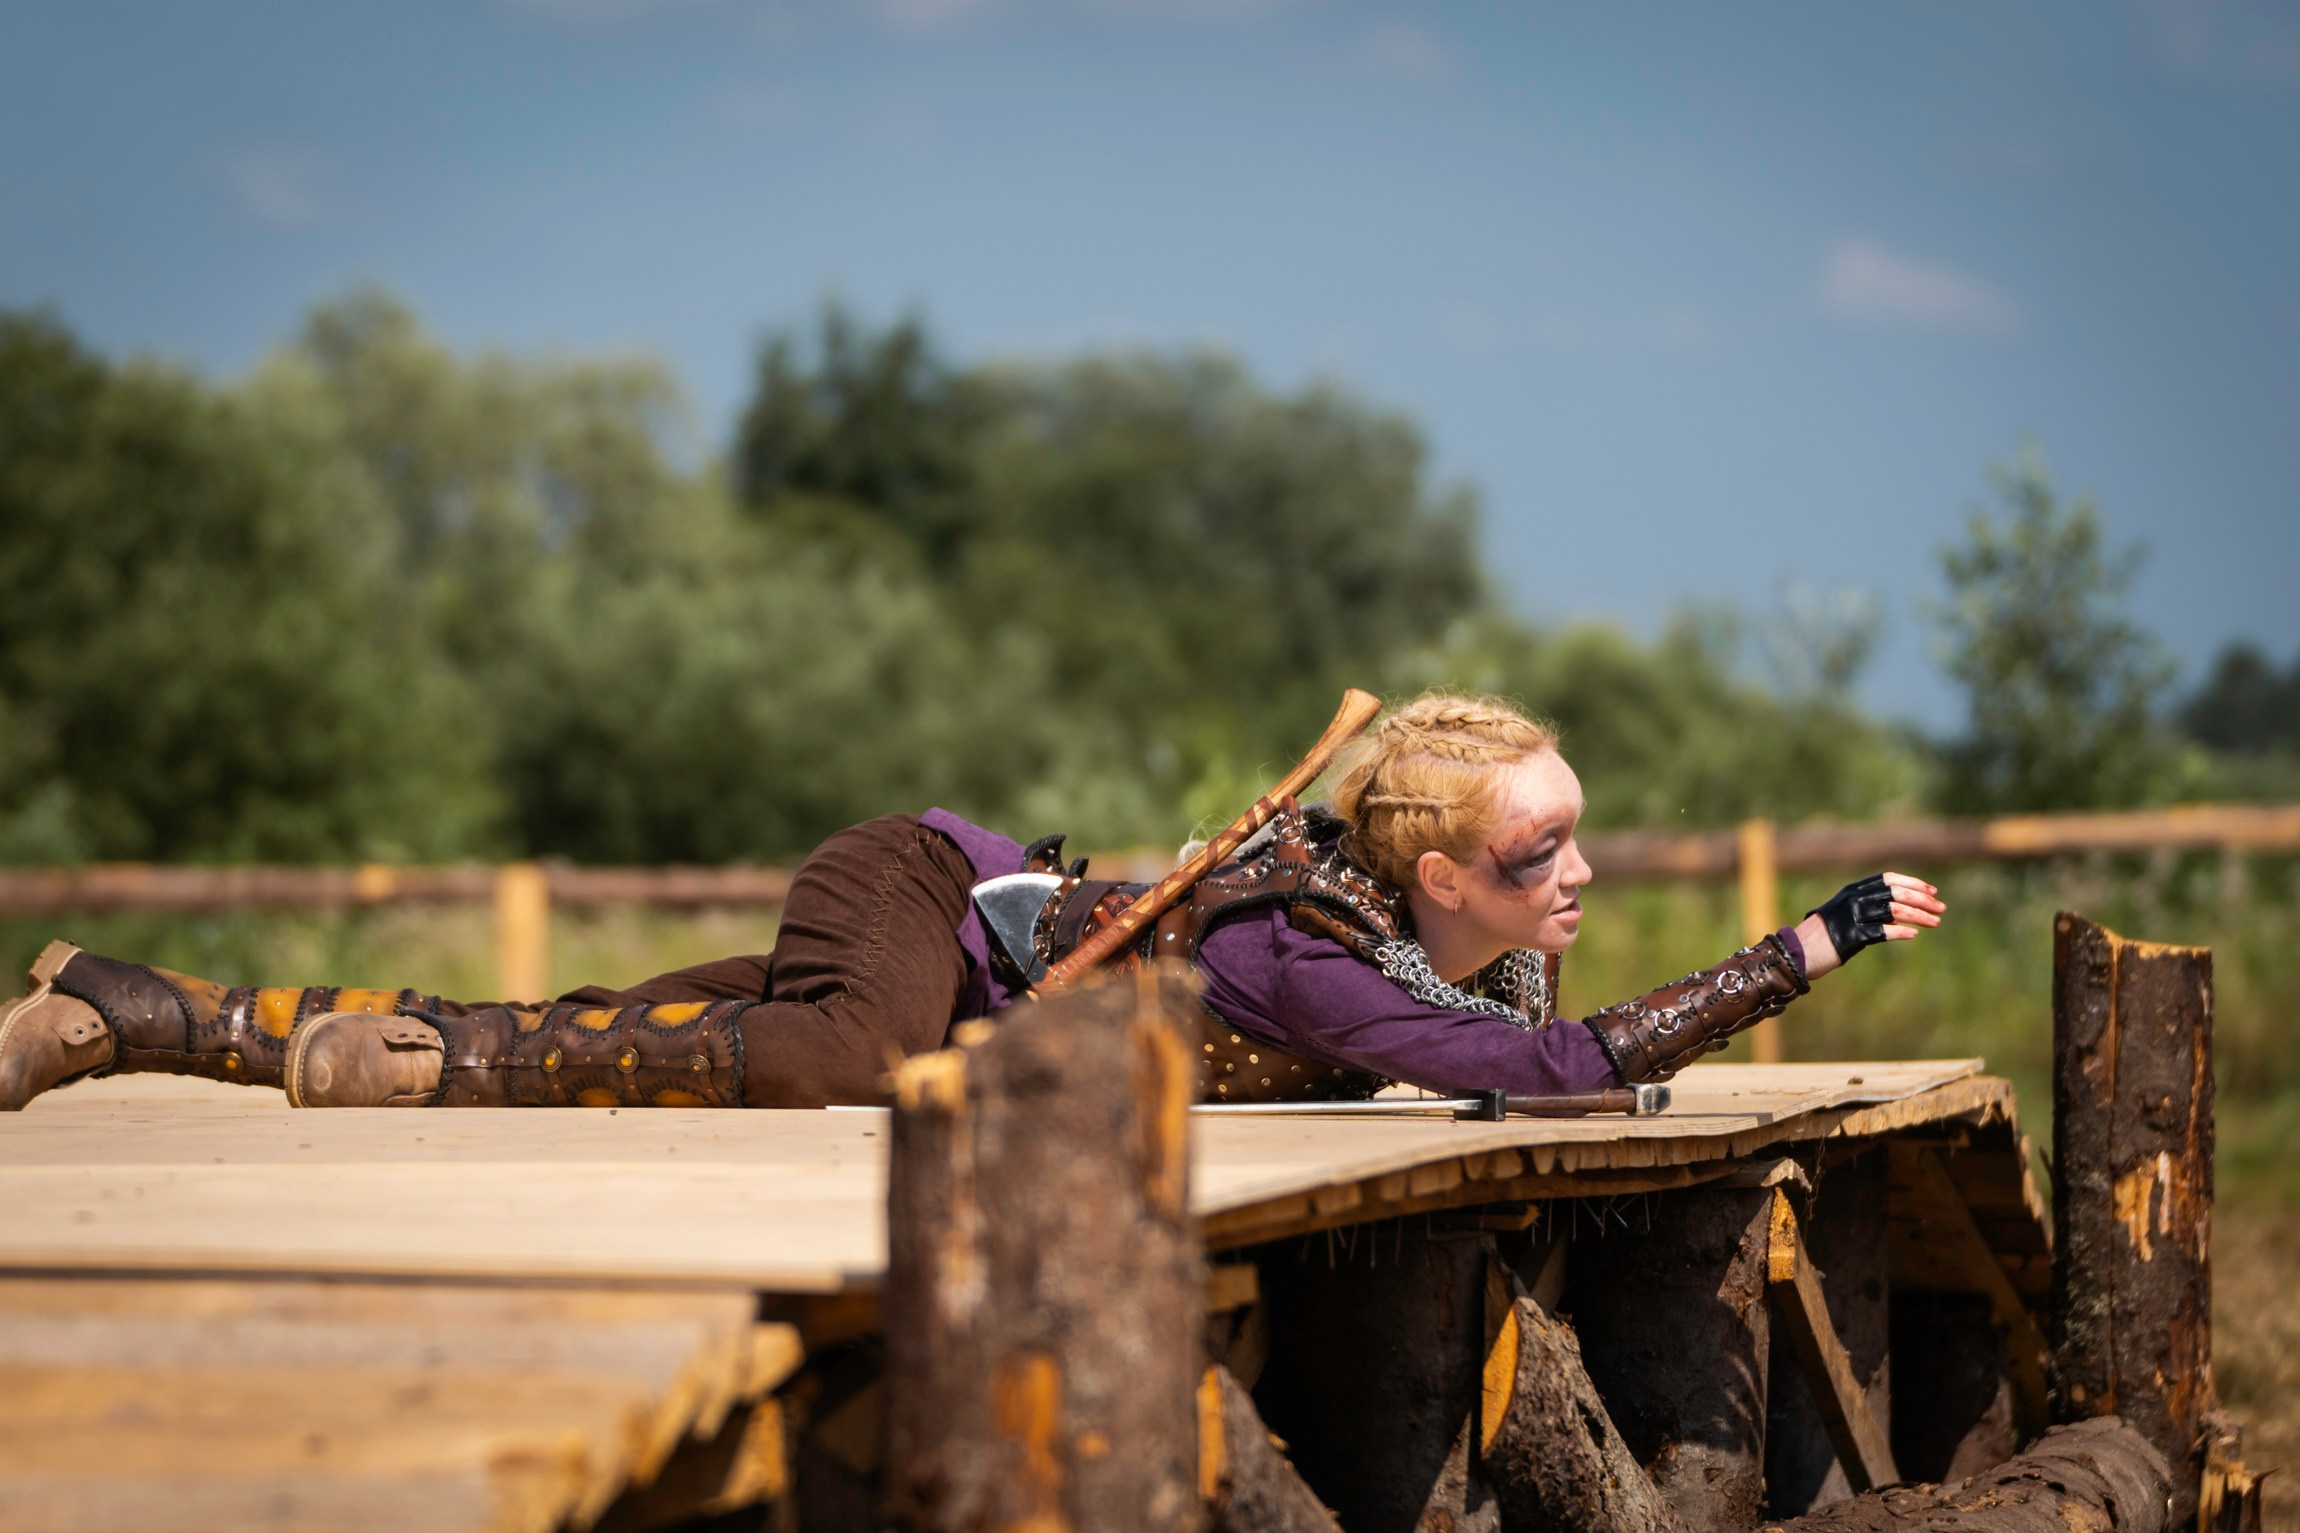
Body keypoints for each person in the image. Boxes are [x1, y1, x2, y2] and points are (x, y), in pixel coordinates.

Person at [0, 695, 1944, 1112]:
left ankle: (139, 1008)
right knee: (841, 1052)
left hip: (955, 965)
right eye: (1540, 855)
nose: (1579, 873)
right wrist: (1812, 941)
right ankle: (419, 1070)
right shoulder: (1309, 948)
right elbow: (1570, 1070)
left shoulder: (1393, 951)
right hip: (912, 878)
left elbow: (1532, 1048)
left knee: (602, 1018)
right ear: (1432, 871)